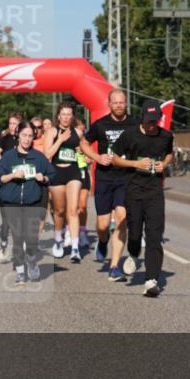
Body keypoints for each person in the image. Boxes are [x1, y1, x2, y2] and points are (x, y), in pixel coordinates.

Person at [111, 100, 174, 296]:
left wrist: (164, 163)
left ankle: (151, 280)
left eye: (155, 121)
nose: (151, 125)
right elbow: (115, 158)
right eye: (148, 121)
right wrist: (135, 164)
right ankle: (132, 253)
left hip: (155, 192)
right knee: (135, 234)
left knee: (154, 236)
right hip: (134, 190)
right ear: (142, 118)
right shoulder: (130, 134)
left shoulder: (166, 136)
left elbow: (170, 153)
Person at [79, 89, 137, 278]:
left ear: (126, 103)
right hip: (104, 177)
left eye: (122, 102)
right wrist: (96, 157)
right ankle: (103, 242)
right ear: (109, 104)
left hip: (126, 177)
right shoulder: (100, 124)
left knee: (122, 218)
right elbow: (83, 143)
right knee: (103, 225)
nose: (119, 105)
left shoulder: (135, 123)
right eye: (115, 102)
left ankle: (114, 266)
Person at [0, 121, 55, 284]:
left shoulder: (38, 157)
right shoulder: (8, 157)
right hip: (12, 203)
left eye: (30, 136)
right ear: (17, 136)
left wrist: (44, 178)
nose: (27, 139)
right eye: (24, 135)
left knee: (32, 238)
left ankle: (32, 261)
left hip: (32, 202)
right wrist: (12, 176)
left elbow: (52, 174)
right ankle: (20, 271)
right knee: (18, 238)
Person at [43, 102, 84, 263]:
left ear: (72, 116)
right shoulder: (52, 131)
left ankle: (75, 247)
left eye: (69, 114)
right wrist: (59, 140)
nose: (66, 117)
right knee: (59, 211)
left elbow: (84, 152)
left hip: (73, 171)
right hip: (56, 172)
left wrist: (82, 153)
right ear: (58, 116)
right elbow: (47, 154)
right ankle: (58, 240)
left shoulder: (78, 132)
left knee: (73, 210)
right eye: (63, 114)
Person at [0, 112, 23, 260]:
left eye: (15, 123)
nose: (12, 126)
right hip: (6, 183)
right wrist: (8, 157)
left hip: (23, 184)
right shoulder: (4, 140)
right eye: (10, 123)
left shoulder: (27, 140)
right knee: (7, 218)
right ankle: (4, 243)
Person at [74, 118, 91, 251]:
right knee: (72, 206)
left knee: (83, 205)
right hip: (70, 174)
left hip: (83, 174)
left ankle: (83, 232)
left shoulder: (85, 141)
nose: (82, 131)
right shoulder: (68, 140)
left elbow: (91, 158)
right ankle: (70, 230)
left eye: (83, 129)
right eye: (80, 129)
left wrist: (86, 158)